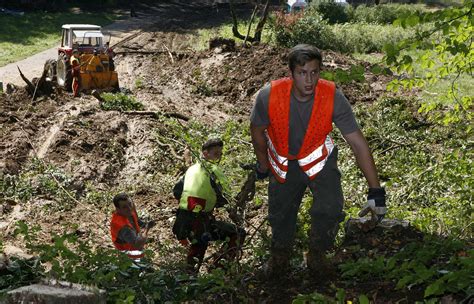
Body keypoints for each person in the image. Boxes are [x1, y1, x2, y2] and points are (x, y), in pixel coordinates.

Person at [250, 44, 387, 276]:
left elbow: (357, 142)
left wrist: (376, 190)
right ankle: (280, 258)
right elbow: (256, 132)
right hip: (285, 163)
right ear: (291, 73)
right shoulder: (269, 95)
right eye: (302, 73)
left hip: (319, 159)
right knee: (280, 213)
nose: (309, 80)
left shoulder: (332, 96)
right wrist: (263, 165)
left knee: (331, 207)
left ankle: (317, 254)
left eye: (314, 72)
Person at [172, 138, 246, 273]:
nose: (219, 157)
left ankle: (203, 274)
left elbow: (177, 191)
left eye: (220, 154)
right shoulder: (214, 170)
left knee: (198, 248)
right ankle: (217, 270)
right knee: (236, 234)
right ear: (205, 154)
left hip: (183, 219)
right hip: (198, 220)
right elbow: (226, 197)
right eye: (216, 153)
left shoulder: (191, 169)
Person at [110, 193, 155, 262]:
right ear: (118, 209)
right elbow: (137, 244)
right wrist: (147, 228)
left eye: (130, 203)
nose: (129, 208)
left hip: (136, 250)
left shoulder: (128, 211)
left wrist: (145, 223)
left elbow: (137, 221)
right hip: (129, 256)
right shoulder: (124, 227)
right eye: (124, 207)